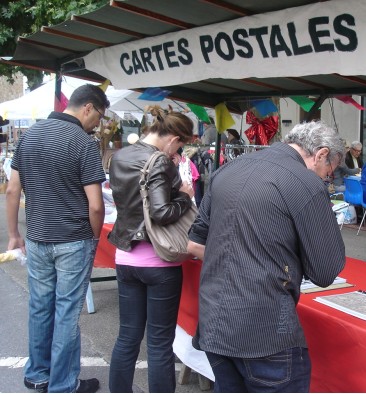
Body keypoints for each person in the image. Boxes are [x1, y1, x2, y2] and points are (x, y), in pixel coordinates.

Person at [186, 120, 346, 393]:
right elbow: (324, 271)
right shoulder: (305, 182)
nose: (326, 179)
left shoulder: (229, 169)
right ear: (320, 154)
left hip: (214, 319)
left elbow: (195, 242)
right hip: (265, 328)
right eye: (328, 173)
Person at [6, 84, 109, 393]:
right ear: (88, 107)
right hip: (73, 239)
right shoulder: (83, 143)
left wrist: (14, 235)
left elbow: (13, 190)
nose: (98, 124)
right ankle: (63, 384)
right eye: (99, 116)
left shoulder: (29, 136)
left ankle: (37, 374)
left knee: (40, 307)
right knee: (66, 312)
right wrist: (93, 238)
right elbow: (95, 205)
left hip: (37, 237)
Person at [107, 106, 194, 393]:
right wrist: (184, 196)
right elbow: (161, 212)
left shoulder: (119, 156)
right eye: (181, 144)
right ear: (174, 139)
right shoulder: (160, 161)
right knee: (158, 342)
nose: (178, 151)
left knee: (127, 336)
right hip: (159, 261)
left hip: (125, 257)